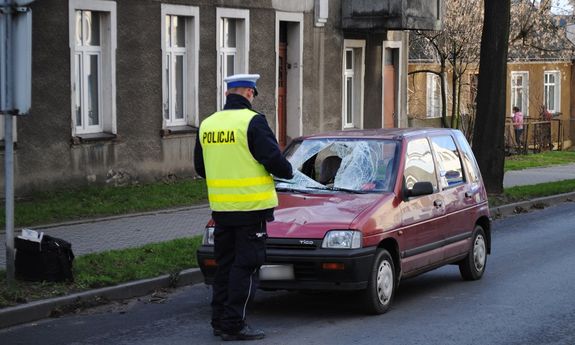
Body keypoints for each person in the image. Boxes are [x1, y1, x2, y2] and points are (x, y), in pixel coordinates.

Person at [194, 73, 293, 341]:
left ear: (228, 94)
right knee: (246, 266)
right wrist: (289, 171)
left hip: (221, 211)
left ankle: (219, 321)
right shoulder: (253, 122)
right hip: (251, 209)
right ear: (250, 94)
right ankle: (234, 324)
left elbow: (200, 168)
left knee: (225, 265)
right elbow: (274, 160)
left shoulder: (208, 124)